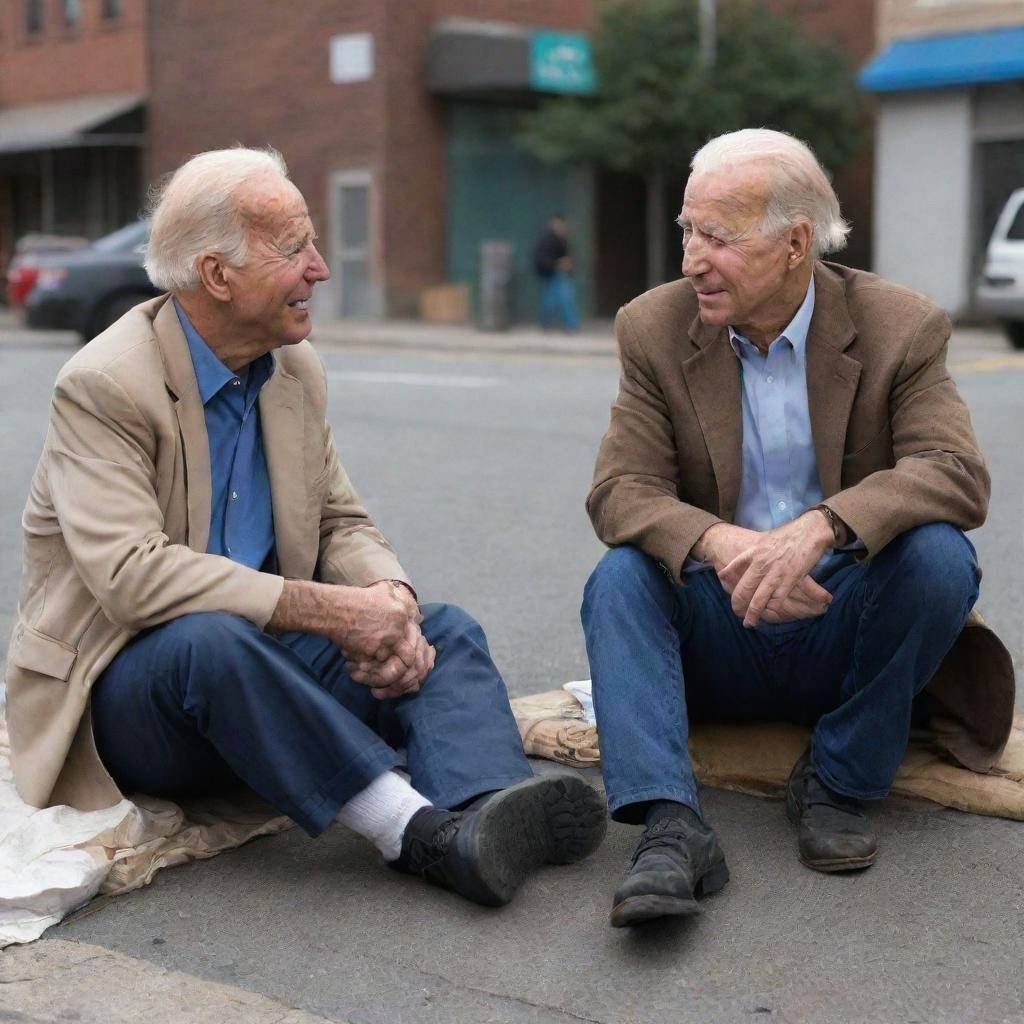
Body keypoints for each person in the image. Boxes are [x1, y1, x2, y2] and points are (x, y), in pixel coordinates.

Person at [5, 147, 606, 909]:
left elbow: (338, 520)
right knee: (210, 642)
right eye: (294, 250)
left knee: (441, 628)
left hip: (262, 666)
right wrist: (329, 611)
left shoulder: (292, 368)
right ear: (217, 275)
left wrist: (386, 599)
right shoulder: (105, 384)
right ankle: (413, 832)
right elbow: (133, 579)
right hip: (133, 699)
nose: (320, 268)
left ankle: (488, 811)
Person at [581, 128, 1011, 928]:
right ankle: (670, 828)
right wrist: (721, 542)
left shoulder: (900, 326)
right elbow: (620, 490)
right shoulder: (653, 327)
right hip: (723, 621)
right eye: (686, 230)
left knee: (940, 557)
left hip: (839, 623)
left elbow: (954, 472)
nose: (689, 260)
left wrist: (822, 527)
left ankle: (840, 779)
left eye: (716, 237)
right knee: (620, 578)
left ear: (795, 243)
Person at [533, 214, 580, 331]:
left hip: (557, 274)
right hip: (551, 274)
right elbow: (543, 260)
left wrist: (566, 263)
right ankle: (569, 325)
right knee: (559, 299)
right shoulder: (548, 240)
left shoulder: (562, 239)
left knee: (557, 299)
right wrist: (558, 263)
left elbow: (568, 257)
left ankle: (567, 325)